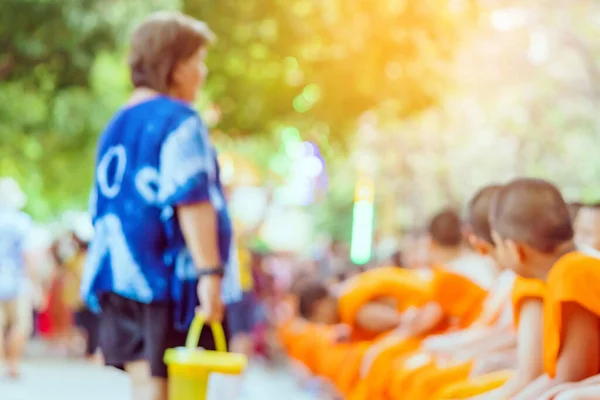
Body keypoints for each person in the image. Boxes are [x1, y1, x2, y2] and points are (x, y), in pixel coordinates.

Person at [80, 12, 241, 400]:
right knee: (166, 390)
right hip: (165, 279)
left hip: (117, 276)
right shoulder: (178, 119)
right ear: (175, 66)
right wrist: (210, 273)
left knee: (145, 385)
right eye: (197, 62)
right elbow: (190, 197)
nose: (201, 73)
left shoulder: (117, 124)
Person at [488, 178, 600, 399]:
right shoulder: (566, 271)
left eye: (497, 245)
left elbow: (571, 376)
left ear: (515, 249)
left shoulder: (573, 271)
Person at [0, 177, 36, 378]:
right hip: (17, 281)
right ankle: (13, 364)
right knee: (21, 325)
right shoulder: (22, 222)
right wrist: (34, 283)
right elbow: (28, 255)